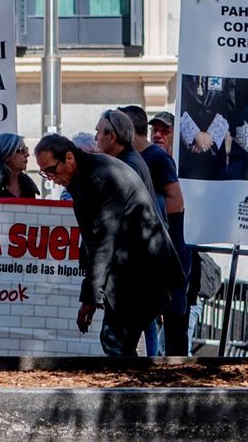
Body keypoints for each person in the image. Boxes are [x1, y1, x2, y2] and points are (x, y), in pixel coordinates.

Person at [34, 134, 184, 356]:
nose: (51, 179)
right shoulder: (90, 174)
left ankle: (132, 390)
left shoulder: (100, 178)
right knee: (117, 342)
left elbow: (103, 242)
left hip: (143, 272)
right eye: (44, 173)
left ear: (69, 158)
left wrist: (90, 298)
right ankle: (134, 389)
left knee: (115, 341)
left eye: (51, 170)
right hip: (135, 271)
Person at [118, 105, 190, 356]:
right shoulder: (129, 159)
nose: (158, 134)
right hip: (143, 256)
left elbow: (176, 202)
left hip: (168, 252)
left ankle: (178, 382)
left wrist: (142, 218)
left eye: (164, 130)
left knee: (173, 319)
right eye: (154, 129)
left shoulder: (158, 158)